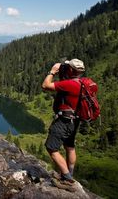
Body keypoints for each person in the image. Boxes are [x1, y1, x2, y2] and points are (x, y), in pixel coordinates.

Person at [41, 58, 86, 190]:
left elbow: (45, 85)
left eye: (68, 67)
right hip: (75, 120)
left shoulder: (69, 84)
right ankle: (69, 174)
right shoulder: (82, 83)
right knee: (69, 147)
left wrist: (52, 72)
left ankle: (67, 179)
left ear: (71, 69)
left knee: (51, 147)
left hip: (64, 120)